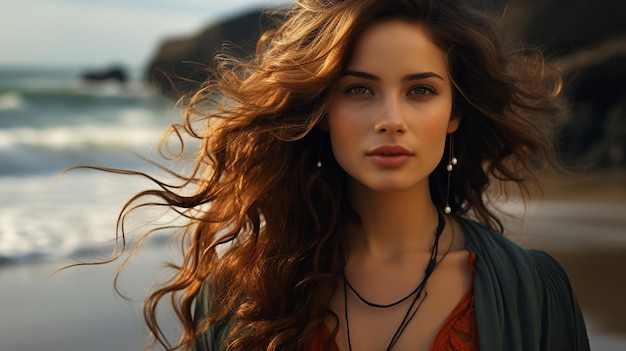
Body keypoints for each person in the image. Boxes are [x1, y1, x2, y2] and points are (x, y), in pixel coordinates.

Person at [102, 0, 590, 350]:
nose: (391, 119)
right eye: (360, 90)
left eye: (420, 91)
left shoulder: (532, 289)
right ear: (323, 110)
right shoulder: (242, 289)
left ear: (454, 113)